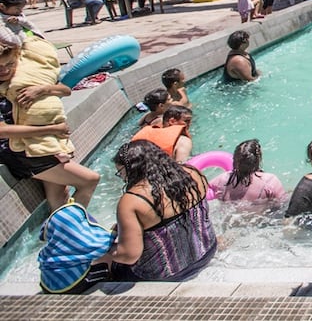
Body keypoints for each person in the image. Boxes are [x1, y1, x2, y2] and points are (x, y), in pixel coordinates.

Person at [0, 29, 100, 211]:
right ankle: (72, 224)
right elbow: (2, 131)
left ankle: (61, 225)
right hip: (18, 152)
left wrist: (42, 89)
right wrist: (52, 129)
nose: (5, 70)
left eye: (9, 64)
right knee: (90, 180)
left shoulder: (24, 76)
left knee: (60, 195)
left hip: (41, 144)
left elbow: (66, 90)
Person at [95, 139, 217, 282]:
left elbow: (129, 256)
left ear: (131, 169)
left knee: (104, 259)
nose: (122, 178)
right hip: (207, 252)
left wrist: (104, 248)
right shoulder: (192, 173)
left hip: (167, 274)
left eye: (121, 172)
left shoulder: (133, 201)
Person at [208, 139, 287, 210]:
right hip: (258, 220)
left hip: (230, 219)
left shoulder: (222, 179)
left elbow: (205, 191)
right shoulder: (269, 181)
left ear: (234, 160)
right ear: (257, 161)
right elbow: (283, 204)